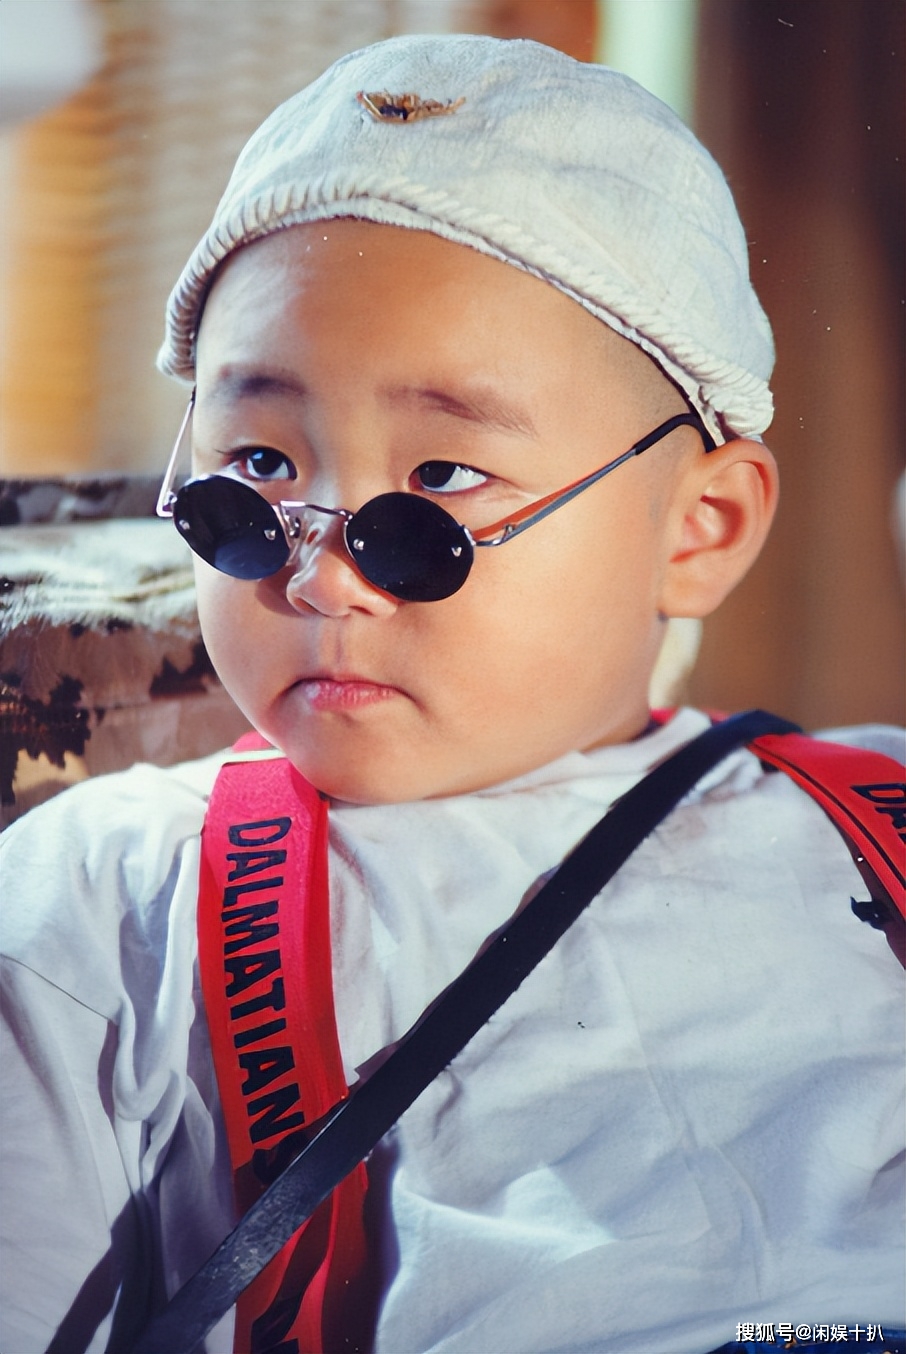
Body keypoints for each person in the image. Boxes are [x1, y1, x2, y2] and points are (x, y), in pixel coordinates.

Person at [1, 33, 903, 1354]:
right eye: (256, 469)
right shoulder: (106, 894)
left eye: (437, 487)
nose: (322, 578)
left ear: (698, 529)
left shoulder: (876, 821)